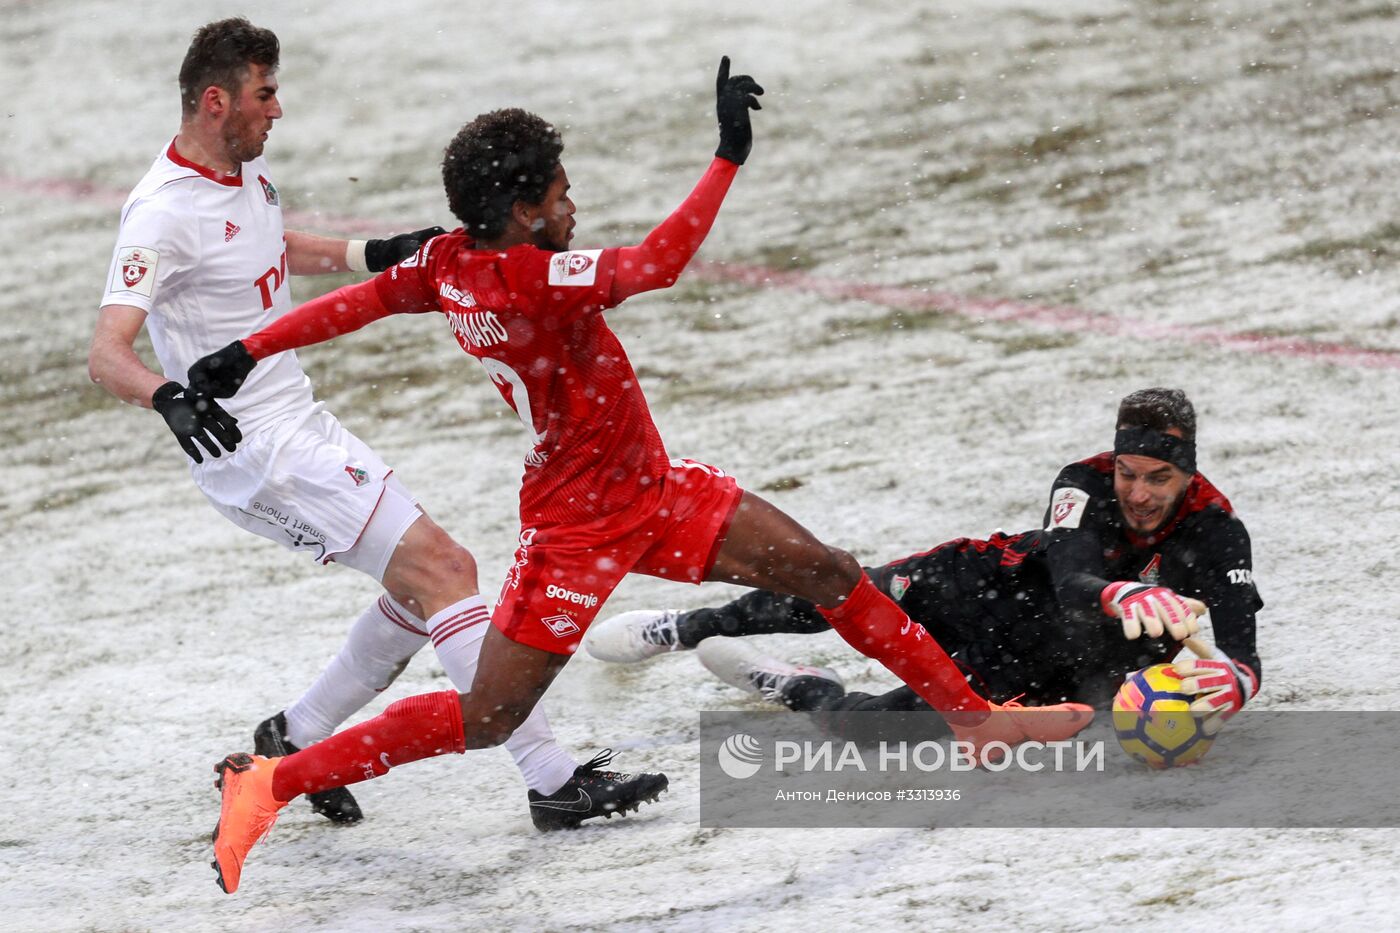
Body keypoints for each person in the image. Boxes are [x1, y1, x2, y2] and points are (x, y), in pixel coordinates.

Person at [193, 56, 1100, 894]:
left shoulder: (448, 261)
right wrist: (726, 157)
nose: (573, 203)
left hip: (656, 493)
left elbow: (362, 301)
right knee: (491, 716)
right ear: (521, 210)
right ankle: (272, 778)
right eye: (561, 192)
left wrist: (248, 348)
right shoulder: (530, 277)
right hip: (576, 529)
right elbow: (658, 264)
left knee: (826, 569)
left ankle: (975, 721)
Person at [87, 17, 664, 840]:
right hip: (259, 451)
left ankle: (292, 737)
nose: (277, 110)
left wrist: (376, 250)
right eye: (265, 94)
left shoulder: (239, 176)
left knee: (416, 583)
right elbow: (105, 353)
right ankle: (551, 778)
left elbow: (263, 245)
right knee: (443, 570)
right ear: (215, 101)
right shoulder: (157, 213)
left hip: (301, 421)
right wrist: (169, 398)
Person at [589, 388, 1261, 736]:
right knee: (836, 592)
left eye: (1158, 478)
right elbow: (1072, 579)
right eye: (1128, 472)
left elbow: (1242, 658)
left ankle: (796, 685)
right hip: (989, 584)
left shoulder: (1219, 532)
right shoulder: (1081, 482)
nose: (1138, 493)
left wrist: (1234, 684)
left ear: (1189, 473)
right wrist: (1119, 594)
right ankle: (689, 626)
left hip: (1043, 664)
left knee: (868, 730)